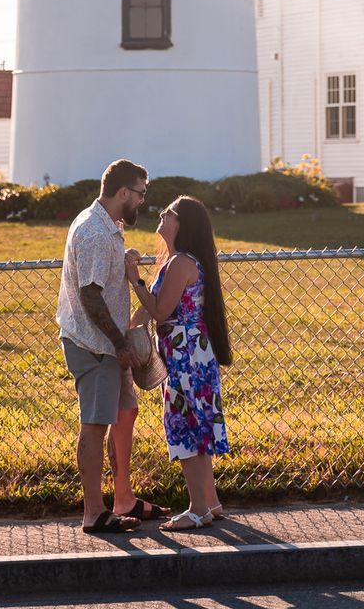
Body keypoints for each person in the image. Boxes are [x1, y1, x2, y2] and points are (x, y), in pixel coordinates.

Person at [57, 158, 170, 533]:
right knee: (94, 425)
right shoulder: (92, 231)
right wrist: (120, 344)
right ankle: (94, 512)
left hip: (109, 342)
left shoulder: (109, 227)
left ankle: (123, 498)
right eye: (140, 193)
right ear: (123, 191)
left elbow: (100, 281)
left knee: (126, 413)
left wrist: (125, 266)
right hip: (94, 345)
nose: (142, 201)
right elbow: (90, 296)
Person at [126, 194, 232, 530]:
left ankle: (197, 508)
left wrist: (135, 280)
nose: (162, 214)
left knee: (186, 426)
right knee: (198, 425)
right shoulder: (176, 261)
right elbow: (152, 309)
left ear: (181, 224)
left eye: (169, 213)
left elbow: (160, 310)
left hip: (185, 355)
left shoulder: (181, 263)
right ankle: (210, 502)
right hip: (190, 352)